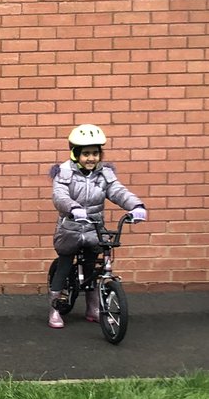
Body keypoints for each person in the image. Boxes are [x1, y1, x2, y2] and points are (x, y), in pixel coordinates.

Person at [48, 124, 147, 329]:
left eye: (95, 153)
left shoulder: (104, 175)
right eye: (86, 154)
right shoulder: (64, 173)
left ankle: (93, 307)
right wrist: (73, 208)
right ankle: (55, 308)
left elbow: (118, 191)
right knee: (64, 265)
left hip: (94, 228)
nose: (91, 158)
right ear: (76, 154)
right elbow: (60, 196)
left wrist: (136, 206)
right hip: (70, 228)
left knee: (93, 268)